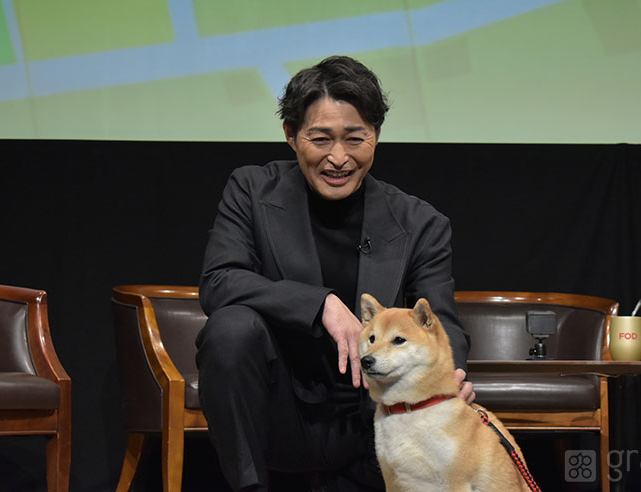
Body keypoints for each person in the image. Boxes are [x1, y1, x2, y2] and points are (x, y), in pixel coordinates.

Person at [196, 55, 474, 492]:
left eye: (355, 139)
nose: (338, 158)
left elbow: (440, 321)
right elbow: (219, 280)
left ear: (376, 136)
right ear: (291, 136)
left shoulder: (421, 222)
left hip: (373, 417)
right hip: (280, 410)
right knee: (230, 328)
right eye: (320, 139)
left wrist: (448, 374)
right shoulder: (251, 190)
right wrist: (320, 303)